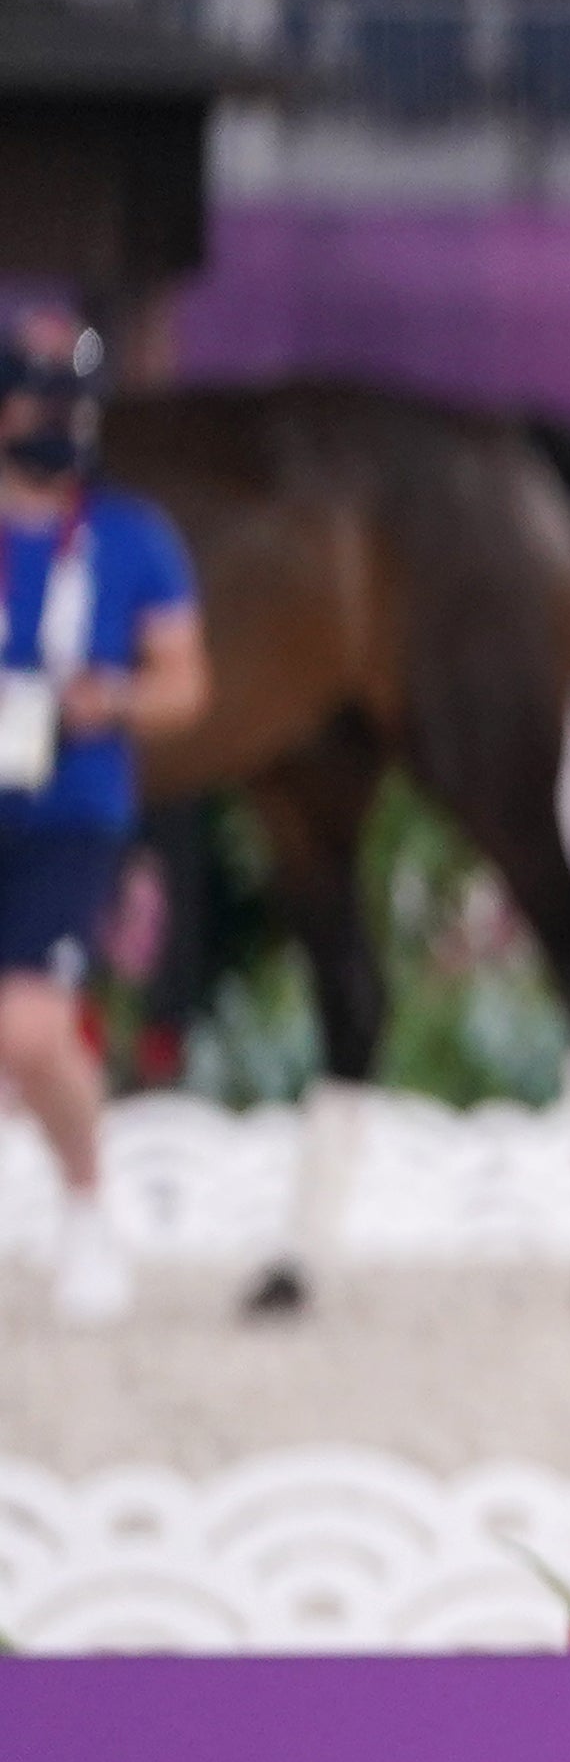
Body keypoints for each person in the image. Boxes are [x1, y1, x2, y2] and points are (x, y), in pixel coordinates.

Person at [1, 305, 206, 1334]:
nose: (56, 418)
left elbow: (186, 684)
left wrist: (113, 698)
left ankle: (88, 1200)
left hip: (70, 804)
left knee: (29, 1022)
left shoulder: (130, 535)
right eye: (37, 394)